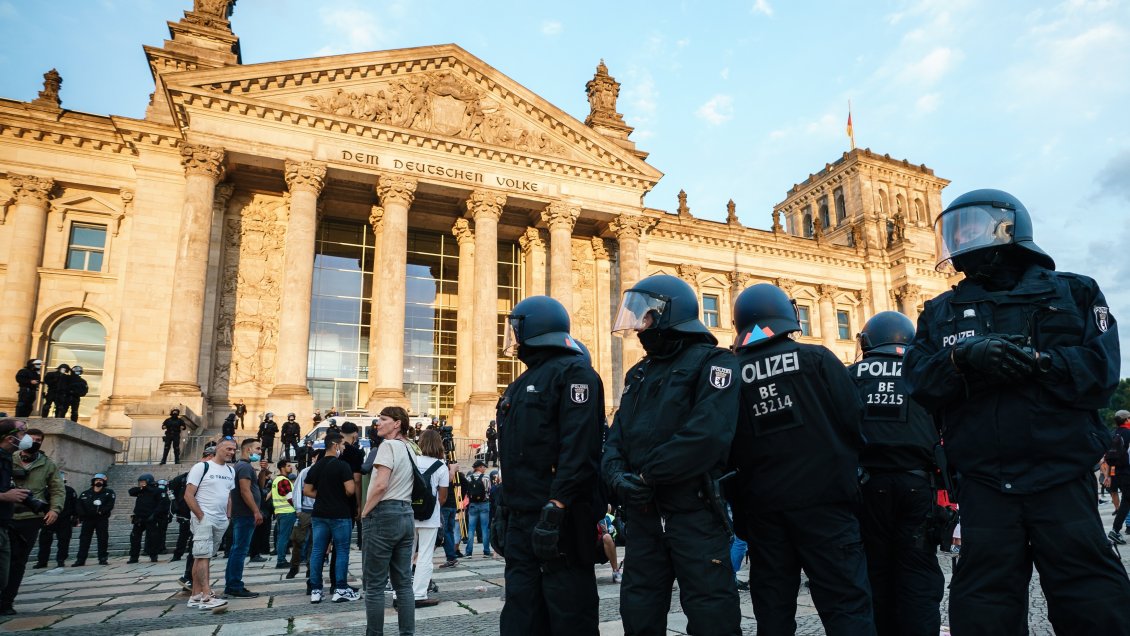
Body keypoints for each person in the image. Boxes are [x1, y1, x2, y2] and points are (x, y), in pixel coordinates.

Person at [903, 188, 1130, 633]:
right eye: (955, 231)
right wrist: (961, 360)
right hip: (985, 482)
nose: (962, 240)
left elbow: (1102, 372)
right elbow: (918, 383)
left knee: (1091, 595)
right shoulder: (940, 311)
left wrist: (1042, 363)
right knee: (983, 603)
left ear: (1009, 229)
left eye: (971, 228)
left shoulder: (1075, 292)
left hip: (1061, 475)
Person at [726, 283, 874, 634]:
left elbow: (724, 446)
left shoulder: (731, 374)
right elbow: (854, 419)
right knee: (846, 604)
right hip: (826, 504)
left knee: (773, 608)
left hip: (763, 510)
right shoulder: (817, 358)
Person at [602, 275, 741, 636]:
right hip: (644, 516)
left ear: (668, 314)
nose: (639, 326)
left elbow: (706, 435)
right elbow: (615, 439)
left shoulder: (715, 363)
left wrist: (648, 477)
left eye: (645, 317)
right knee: (638, 609)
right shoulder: (638, 374)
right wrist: (617, 478)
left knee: (712, 612)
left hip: (694, 510)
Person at [498, 295, 604, 636]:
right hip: (522, 516)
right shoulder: (516, 385)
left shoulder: (577, 374)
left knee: (569, 610)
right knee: (520, 610)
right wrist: (505, 507)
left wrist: (557, 506)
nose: (514, 336)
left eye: (517, 327)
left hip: (561, 519)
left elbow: (579, 449)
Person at [850, 310, 942, 635]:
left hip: (866, 487)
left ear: (867, 342)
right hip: (918, 486)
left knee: (874, 570)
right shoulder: (925, 374)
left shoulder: (851, 375)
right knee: (918, 572)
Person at [361, 406, 418, 633]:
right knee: (403, 584)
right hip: (406, 513)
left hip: (384, 514)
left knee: (374, 586)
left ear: (397, 423)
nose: (378, 423)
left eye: (383, 419)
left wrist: (365, 511)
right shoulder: (411, 448)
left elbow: (381, 484)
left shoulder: (387, 446)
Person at [1, 427, 64, 614]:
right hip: (6, 514)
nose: (34, 442)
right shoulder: (8, 458)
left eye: (39, 440)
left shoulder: (48, 464)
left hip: (30, 517)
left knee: (18, 561)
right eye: (32, 438)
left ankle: (6, 602)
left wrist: (54, 509)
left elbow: (57, 489)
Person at [304, 432, 359, 604]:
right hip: (340, 514)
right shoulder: (342, 466)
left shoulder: (316, 467)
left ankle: (316, 590)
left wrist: (324, 494)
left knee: (317, 551)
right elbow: (350, 489)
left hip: (319, 513)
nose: (343, 448)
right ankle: (341, 588)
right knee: (341, 551)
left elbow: (307, 490)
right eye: (342, 445)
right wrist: (337, 493)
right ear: (335, 445)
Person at [183, 437, 237, 610]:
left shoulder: (231, 471)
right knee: (203, 555)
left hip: (221, 520)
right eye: (228, 449)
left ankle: (195, 595)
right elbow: (188, 495)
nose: (231, 452)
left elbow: (228, 495)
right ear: (218, 448)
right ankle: (207, 596)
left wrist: (228, 516)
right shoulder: (202, 467)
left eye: (234, 449)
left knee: (201, 557)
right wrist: (201, 516)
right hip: (204, 518)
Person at [224, 438, 268, 598]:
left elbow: (259, 488)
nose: (260, 451)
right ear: (248, 450)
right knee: (240, 550)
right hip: (245, 514)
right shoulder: (243, 467)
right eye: (257, 448)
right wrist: (256, 511)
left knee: (238, 549)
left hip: (245, 514)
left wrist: (263, 471)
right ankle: (234, 585)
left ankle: (233, 584)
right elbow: (245, 491)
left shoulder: (247, 467)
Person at [410, 429, 448, 606]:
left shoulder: (412, 461)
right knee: (425, 554)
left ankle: (398, 593)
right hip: (430, 515)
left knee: (404, 554)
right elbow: (442, 497)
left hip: (408, 512)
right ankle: (418, 594)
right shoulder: (441, 466)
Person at [0, 420, 33, 604]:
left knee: (3, 579)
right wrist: (5, 496)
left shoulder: (7, 458)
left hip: (4, 522)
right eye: (22, 432)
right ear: (9, 437)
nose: (25, 437)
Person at [287, 447, 320, 580]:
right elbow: (297, 491)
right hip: (305, 511)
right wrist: (299, 510)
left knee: (315, 543)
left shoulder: (324, 471)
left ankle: (310, 569)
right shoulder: (306, 472)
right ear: (313, 458)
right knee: (298, 540)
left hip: (318, 512)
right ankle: (294, 566)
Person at [35, 472, 77, 568]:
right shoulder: (45, 491)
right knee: (44, 541)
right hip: (49, 519)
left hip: (64, 519)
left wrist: (75, 517)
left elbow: (74, 505)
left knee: (64, 541)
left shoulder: (70, 491)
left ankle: (61, 560)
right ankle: (42, 561)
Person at [72, 472, 114, 566]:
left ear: (104, 482)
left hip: (101, 519)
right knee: (84, 539)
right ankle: (81, 559)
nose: (98, 482)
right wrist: (82, 514)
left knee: (102, 539)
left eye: (100, 480)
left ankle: (102, 558)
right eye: (97, 480)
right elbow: (79, 505)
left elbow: (110, 505)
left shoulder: (108, 493)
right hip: (87, 519)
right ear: (93, 481)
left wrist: (101, 511)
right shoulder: (85, 493)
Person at [127, 473, 162, 563]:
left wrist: (154, 515)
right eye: (140, 482)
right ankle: (134, 557)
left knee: (152, 538)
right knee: (134, 538)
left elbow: (160, 504)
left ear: (148, 482)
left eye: (142, 482)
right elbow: (131, 491)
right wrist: (142, 488)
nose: (141, 484)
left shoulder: (156, 491)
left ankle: (153, 555)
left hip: (150, 518)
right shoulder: (140, 490)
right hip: (139, 517)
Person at [1107, 409, 1130, 543]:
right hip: (1127, 472)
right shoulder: (1128, 433)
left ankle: (1116, 530)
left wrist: (1110, 475)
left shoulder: (1112, 434)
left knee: (1127, 500)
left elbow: (1109, 456)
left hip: (1116, 472)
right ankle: (1115, 530)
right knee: (1127, 501)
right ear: (1126, 420)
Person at [271, 459, 297, 569]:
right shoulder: (284, 480)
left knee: (282, 536)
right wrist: (297, 508)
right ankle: (281, 560)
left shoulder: (276, 480)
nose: (291, 468)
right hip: (287, 512)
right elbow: (290, 498)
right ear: (282, 468)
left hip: (280, 512)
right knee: (284, 537)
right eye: (288, 466)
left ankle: (281, 559)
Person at [439, 460, 465, 568]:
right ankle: (452, 556)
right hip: (453, 504)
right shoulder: (457, 475)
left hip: (445, 505)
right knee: (449, 531)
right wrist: (460, 498)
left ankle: (451, 557)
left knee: (445, 532)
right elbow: (465, 484)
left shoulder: (444, 472)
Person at [464, 460, 492, 557]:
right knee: (485, 528)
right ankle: (486, 551)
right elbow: (489, 491)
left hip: (473, 505)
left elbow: (466, 492)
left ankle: (468, 552)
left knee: (471, 528)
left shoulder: (468, 478)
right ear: (479, 467)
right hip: (484, 504)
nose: (484, 468)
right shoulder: (486, 477)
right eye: (483, 467)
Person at [168, 469, 192, 562]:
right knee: (183, 534)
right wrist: (175, 506)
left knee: (192, 535)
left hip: (195, 509)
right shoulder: (181, 479)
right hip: (184, 511)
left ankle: (191, 553)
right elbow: (171, 492)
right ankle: (178, 554)